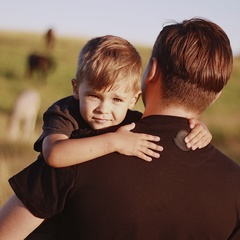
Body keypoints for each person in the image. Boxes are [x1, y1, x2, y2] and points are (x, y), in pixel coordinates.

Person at [0, 17, 237, 239]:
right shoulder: (235, 186)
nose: (103, 109)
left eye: (115, 99)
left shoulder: (78, 153)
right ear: (215, 96)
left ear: (151, 71)